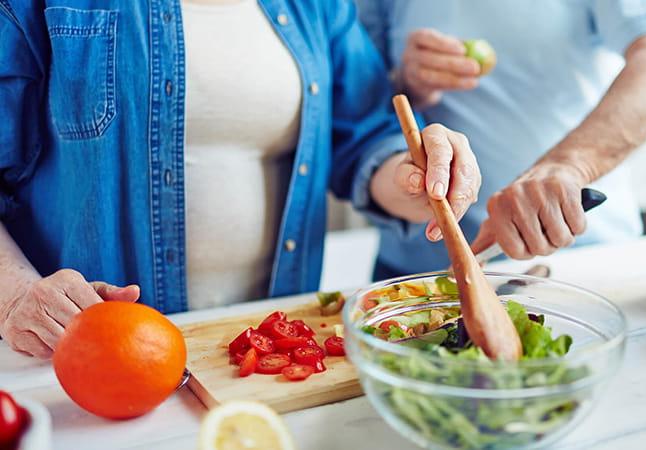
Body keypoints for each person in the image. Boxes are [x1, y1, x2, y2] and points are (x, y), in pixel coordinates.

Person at [0, 0, 481, 358]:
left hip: (264, 351)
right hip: (83, 361)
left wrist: (418, 178)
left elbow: (365, 137)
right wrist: (16, 295)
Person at [357, 0, 646, 279]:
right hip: (418, 271)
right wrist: (407, 79)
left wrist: (569, 165)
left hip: (578, 257)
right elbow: (354, 97)